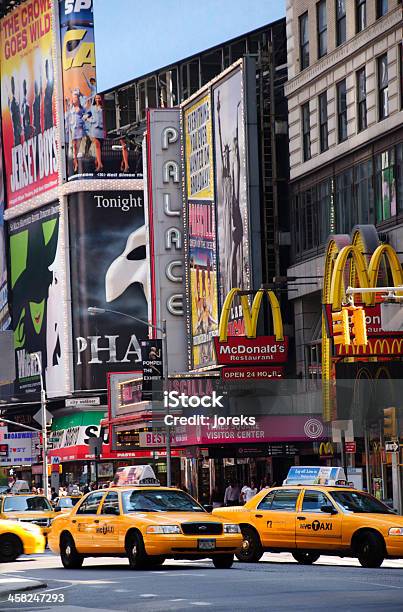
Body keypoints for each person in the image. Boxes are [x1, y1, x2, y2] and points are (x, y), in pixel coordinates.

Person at [85, 94, 104, 172]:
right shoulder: (92, 108)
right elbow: (85, 116)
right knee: (97, 145)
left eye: (99, 98)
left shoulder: (104, 107)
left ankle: (98, 162)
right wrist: (89, 120)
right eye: (96, 98)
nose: (97, 100)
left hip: (102, 128)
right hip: (94, 128)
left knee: (100, 147)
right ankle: (100, 164)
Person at [69, 92, 85, 172]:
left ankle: (79, 164)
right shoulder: (71, 109)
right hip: (73, 129)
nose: (74, 99)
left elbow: (86, 115)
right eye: (73, 98)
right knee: (74, 147)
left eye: (75, 98)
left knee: (79, 148)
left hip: (80, 129)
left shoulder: (82, 109)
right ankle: (75, 163)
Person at [8, 75, 22, 146]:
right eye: (12, 85)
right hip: (16, 135)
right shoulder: (12, 104)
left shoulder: (15, 103)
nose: (13, 88)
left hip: (18, 134)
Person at [43, 59, 54, 131]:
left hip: (51, 118)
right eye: (46, 69)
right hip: (47, 119)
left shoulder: (52, 85)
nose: (47, 72)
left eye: (48, 69)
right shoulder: (47, 86)